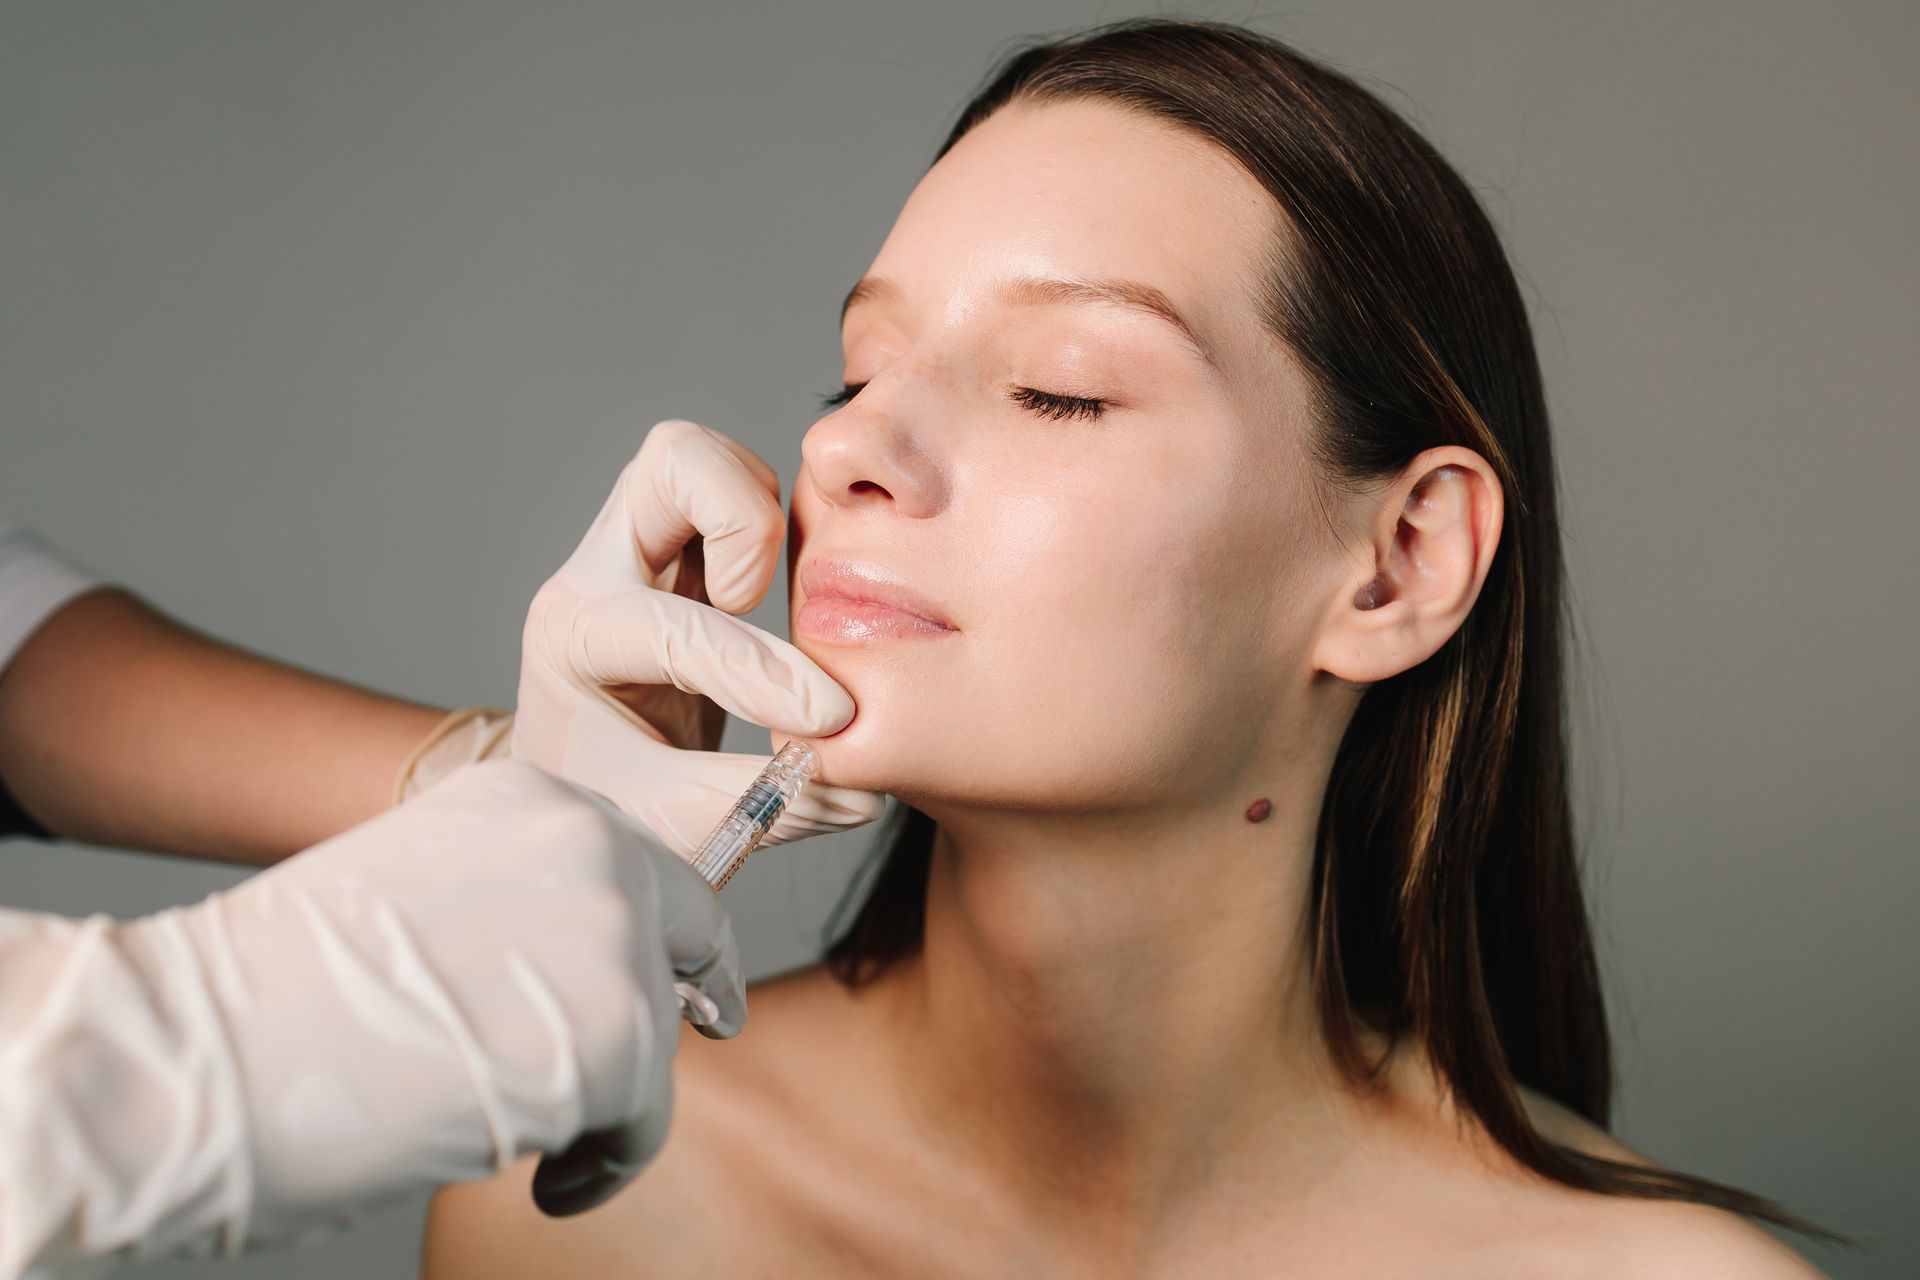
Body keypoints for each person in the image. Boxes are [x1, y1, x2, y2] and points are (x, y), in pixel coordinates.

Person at [422, 19, 1838, 1277]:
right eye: (859, 370)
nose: (841, 445)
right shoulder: (590, 1194)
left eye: (1060, 392)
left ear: (1401, 564)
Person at [0, 423, 884, 1274]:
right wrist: (145, 1066)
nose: (837, 444)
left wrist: (513, 783)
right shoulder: (676, 1198)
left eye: (1031, 391)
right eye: (850, 382)